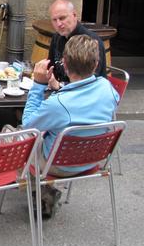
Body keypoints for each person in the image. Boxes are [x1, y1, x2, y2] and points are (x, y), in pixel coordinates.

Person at [21, 34, 119, 218]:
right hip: (92, 159)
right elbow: (105, 101)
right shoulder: (107, 88)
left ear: (64, 64)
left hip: (60, 165)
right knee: (47, 132)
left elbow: (28, 125)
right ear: (96, 63)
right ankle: (42, 191)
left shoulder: (58, 104)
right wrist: (62, 87)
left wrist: (38, 85)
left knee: (15, 136)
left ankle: (43, 194)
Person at [47, 0, 107, 90]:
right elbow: (51, 67)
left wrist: (59, 86)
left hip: (87, 96)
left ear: (74, 15)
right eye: (54, 20)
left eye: (62, 18)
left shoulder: (91, 41)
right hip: (61, 93)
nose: (58, 24)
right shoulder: (57, 37)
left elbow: (91, 83)